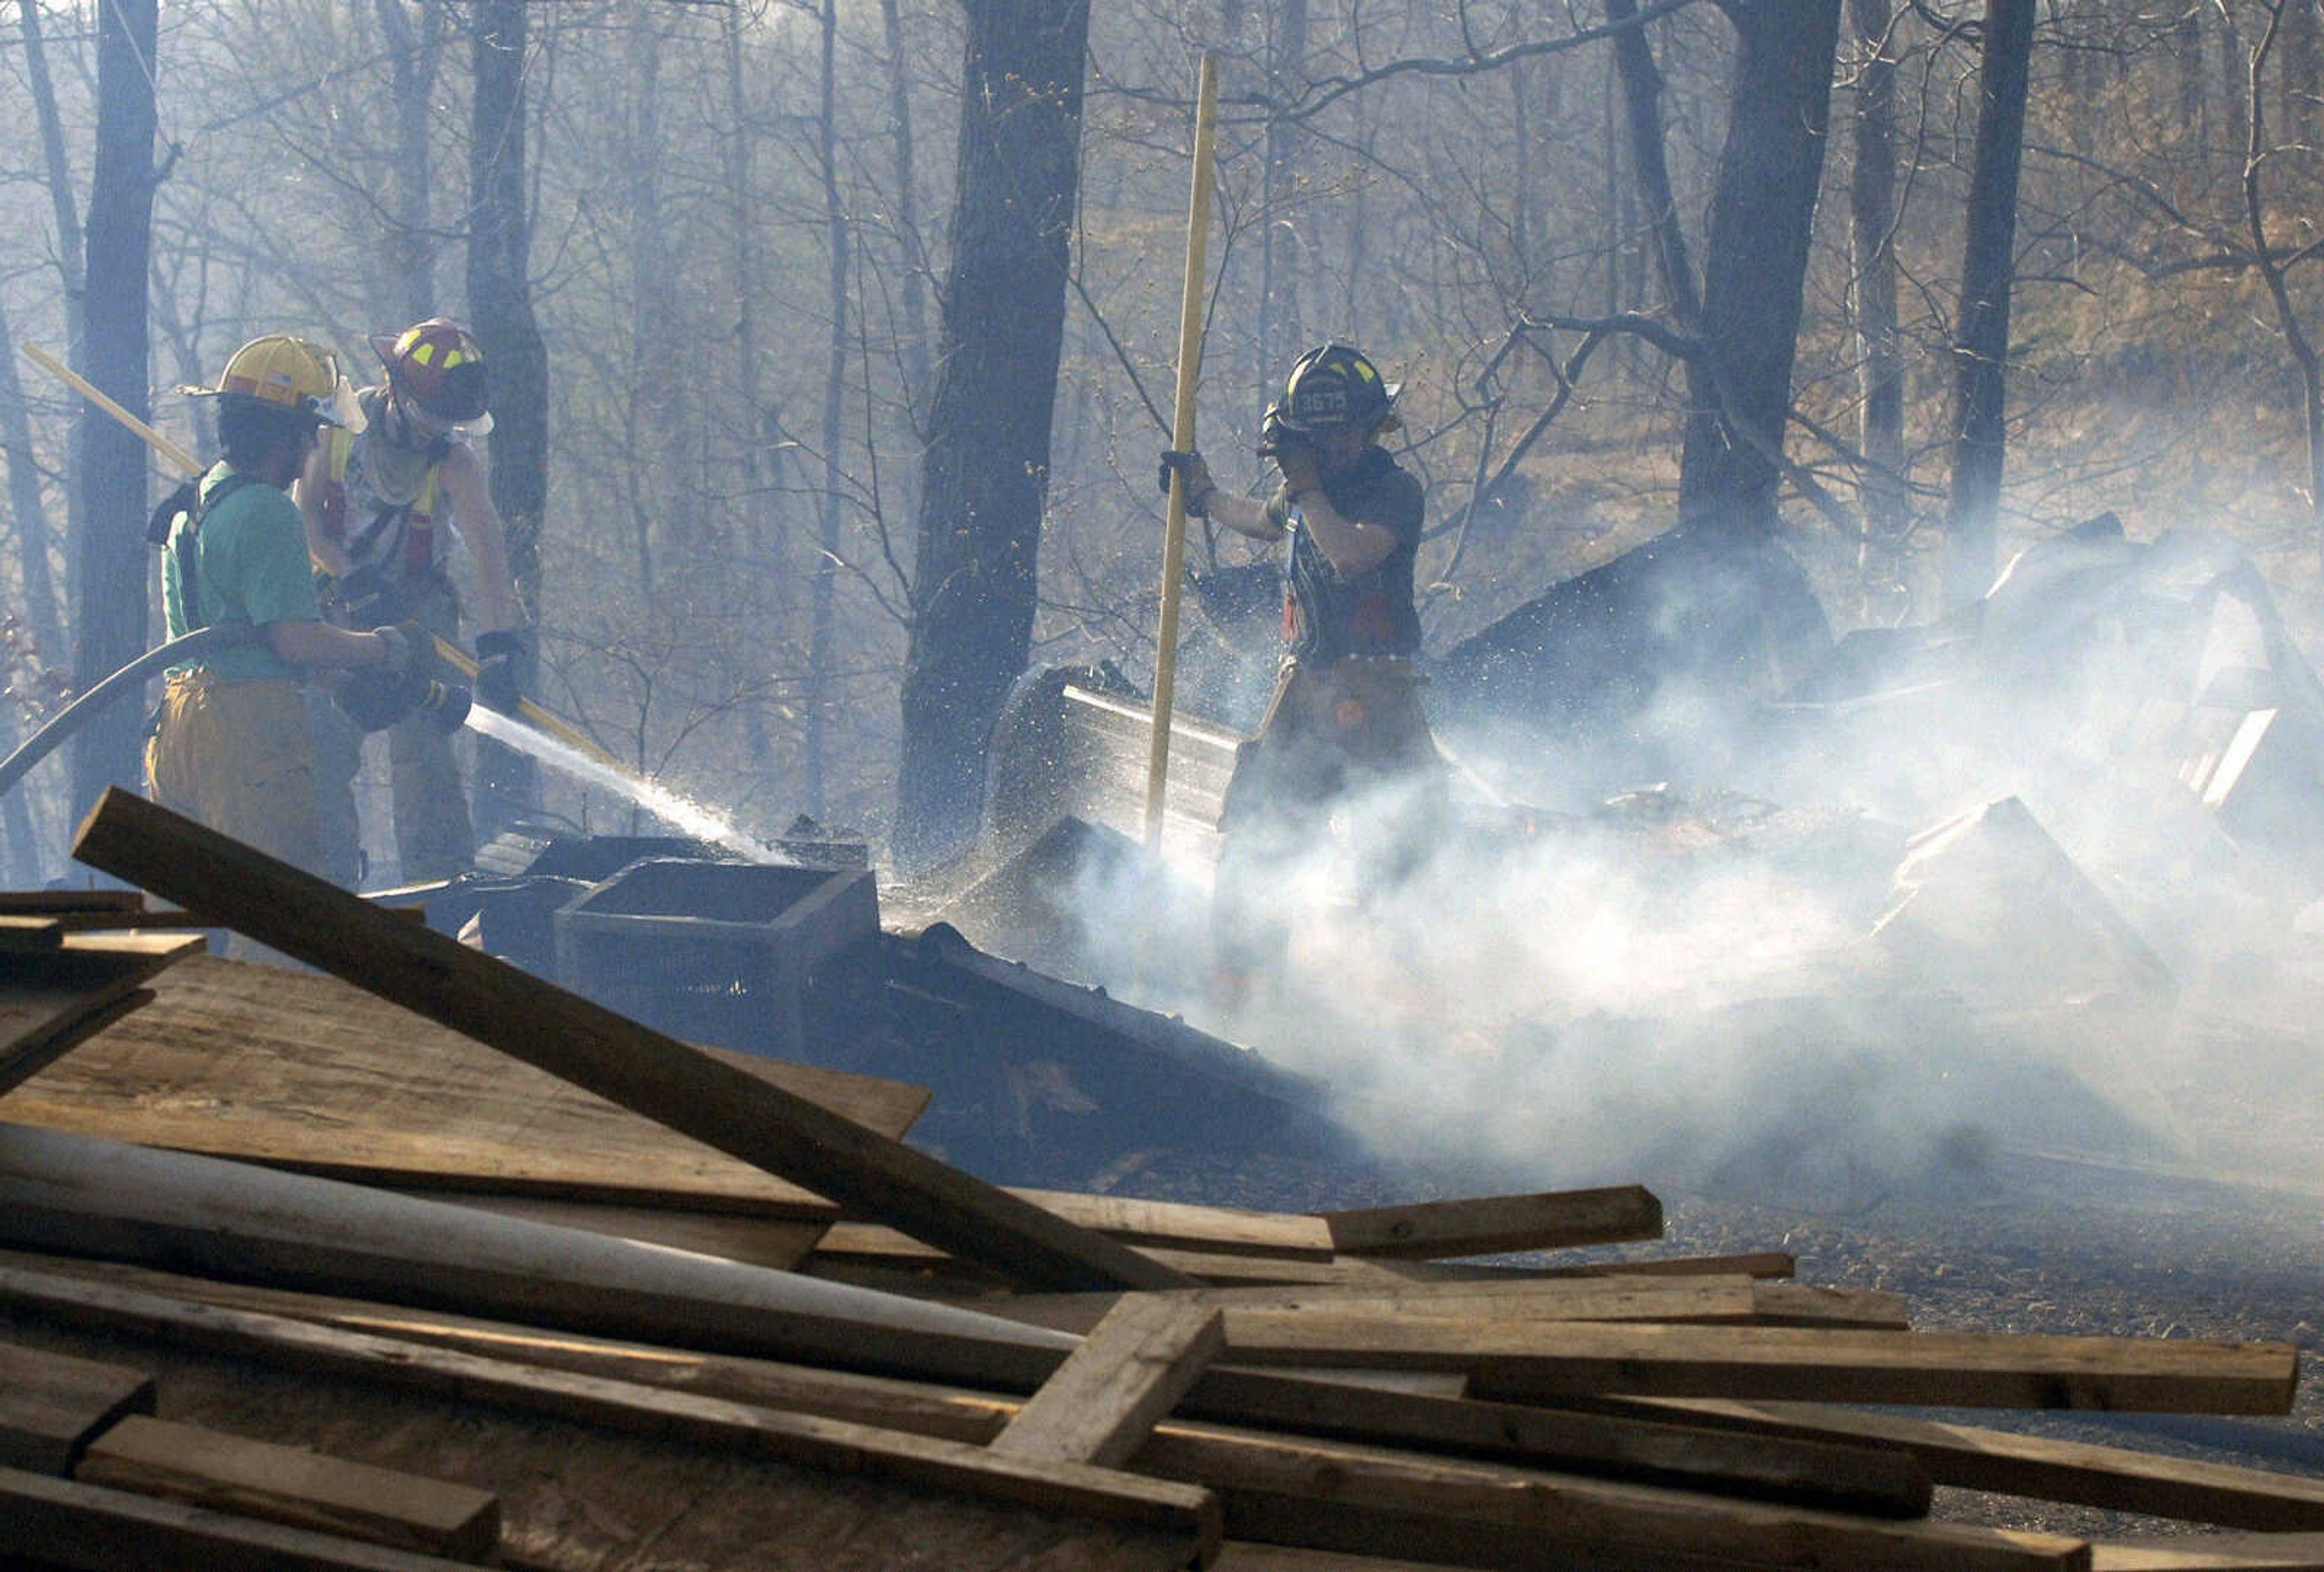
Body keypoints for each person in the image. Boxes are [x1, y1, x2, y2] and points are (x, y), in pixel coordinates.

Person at [1160, 342, 1446, 1000]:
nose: (1335, 447)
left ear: (1372, 428)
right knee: (1257, 833)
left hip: (1380, 694)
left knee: (1402, 850)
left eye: (1345, 433)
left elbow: (1349, 554)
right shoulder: (1301, 498)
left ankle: (1419, 1006)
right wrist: (1201, 492)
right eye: (1318, 438)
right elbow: (1258, 518)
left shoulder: (1393, 492)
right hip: (1304, 692)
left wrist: (1308, 489)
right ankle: (1244, 992)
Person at [151, 335, 419, 878]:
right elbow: (293, 638)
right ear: (289, 434)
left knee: (182, 910)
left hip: (177, 727)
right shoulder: (269, 512)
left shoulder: (192, 503)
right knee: (273, 910)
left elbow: (240, 630)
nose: (315, 447)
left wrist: (336, 684)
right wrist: (378, 648)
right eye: (313, 432)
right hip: (250, 735)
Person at [298, 317, 529, 887]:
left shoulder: (456, 463)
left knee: (425, 753)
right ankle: (328, 882)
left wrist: (497, 648)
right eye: (429, 418)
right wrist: (352, 576)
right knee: (324, 745)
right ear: (394, 390)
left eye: (448, 424)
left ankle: (442, 885)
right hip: (337, 604)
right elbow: (305, 525)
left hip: (420, 609)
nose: (436, 433)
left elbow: (490, 562)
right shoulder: (335, 432)